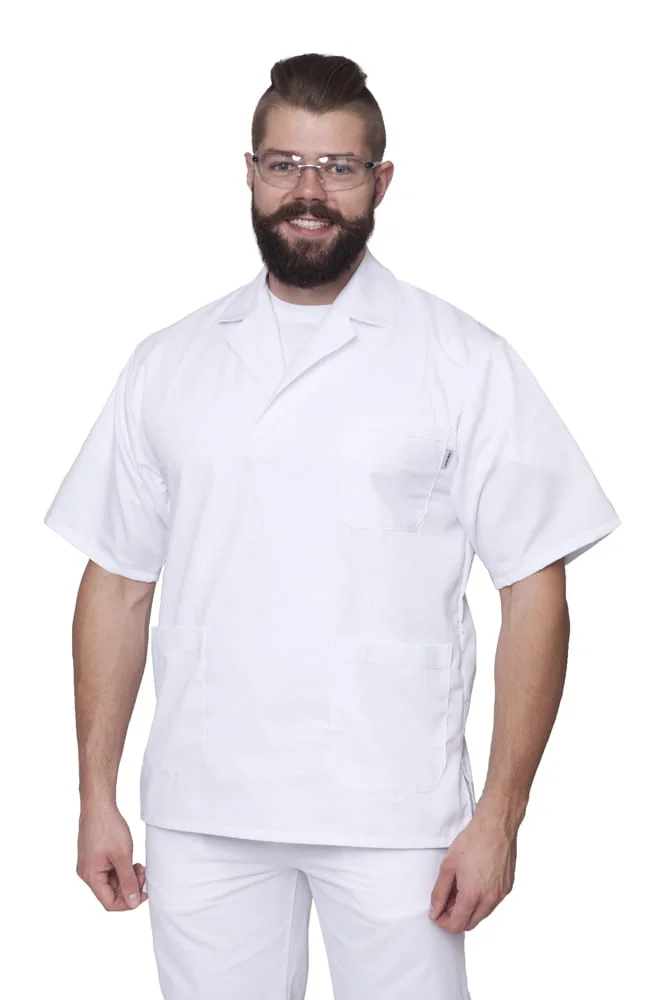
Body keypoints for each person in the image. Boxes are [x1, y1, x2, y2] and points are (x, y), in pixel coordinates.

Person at [43, 52, 621, 1000]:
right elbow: (117, 580)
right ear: (249, 173)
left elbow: (533, 588)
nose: (307, 191)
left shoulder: (462, 360)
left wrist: (500, 816)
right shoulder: (169, 362)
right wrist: (94, 794)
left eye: (337, 168)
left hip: (395, 809)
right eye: (284, 164)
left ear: (379, 181)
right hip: (204, 800)